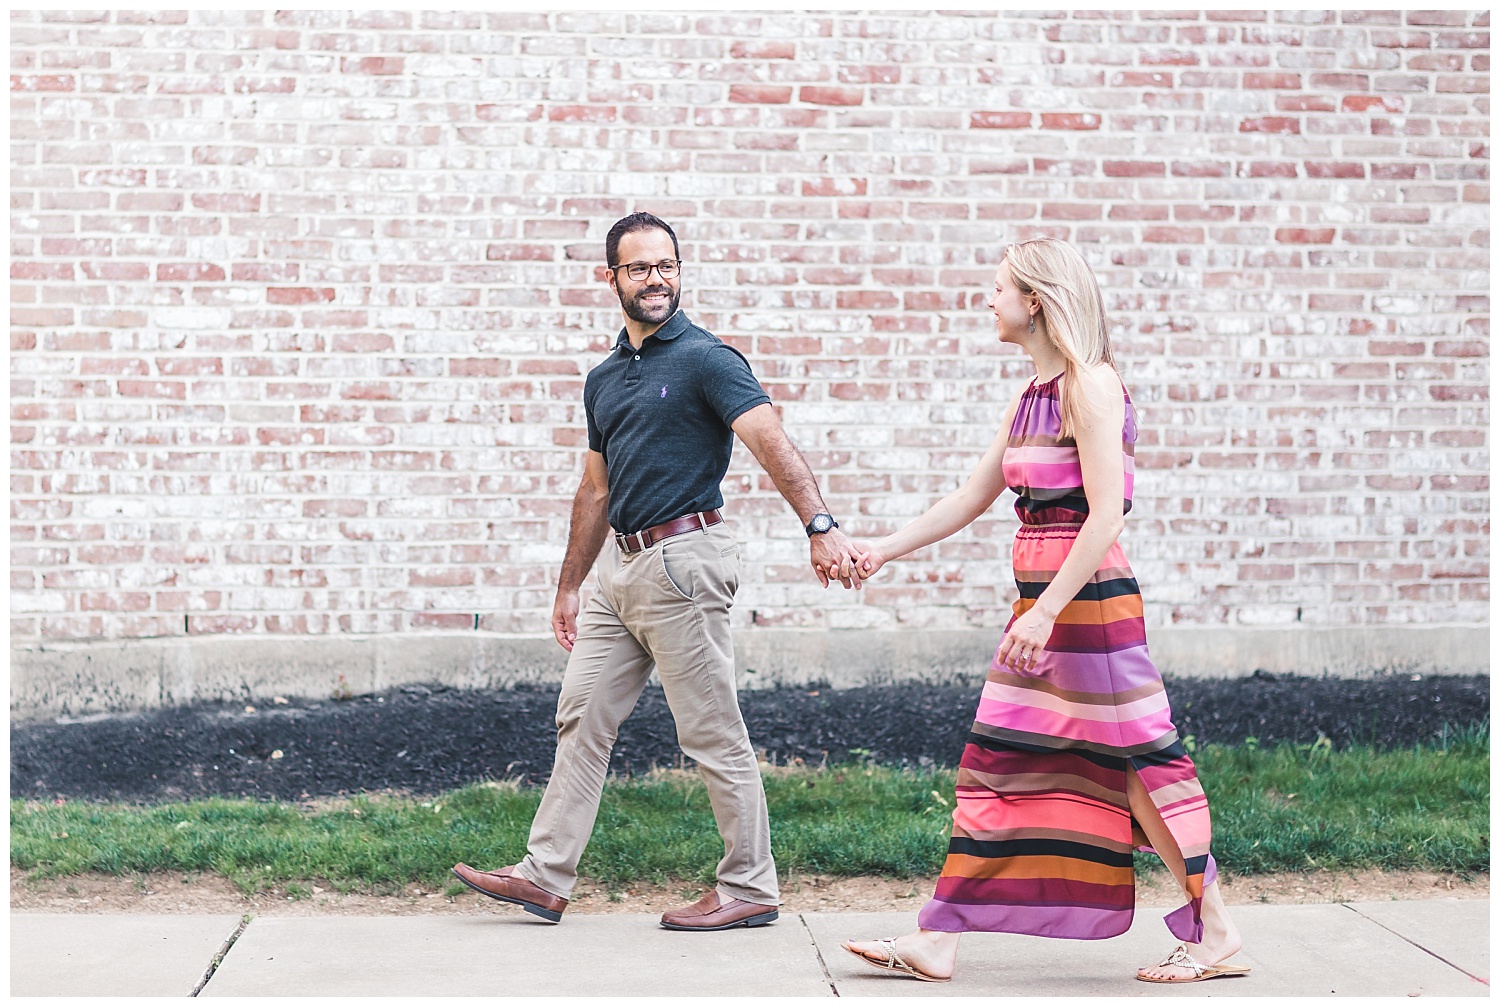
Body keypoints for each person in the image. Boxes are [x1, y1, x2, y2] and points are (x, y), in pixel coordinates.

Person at [841, 238, 1249, 984]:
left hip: (1085, 607)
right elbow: (969, 498)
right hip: (1044, 608)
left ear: (1035, 300)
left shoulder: (1091, 385)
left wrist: (1044, 612)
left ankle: (1214, 929)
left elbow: (1104, 518)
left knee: (1140, 766)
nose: (987, 299)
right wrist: (882, 549)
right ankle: (940, 934)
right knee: (1000, 762)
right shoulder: (1030, 395)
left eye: (998, 287)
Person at [453, 212, 865, 932]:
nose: (656, 280)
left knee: (710, 730)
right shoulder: (604, 378)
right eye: (639, 268)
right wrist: (570, 585)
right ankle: (545, 876)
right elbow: (595, 489)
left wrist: (820, 525)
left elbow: (770, 440)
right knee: (579, 715)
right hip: (619, 569)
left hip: (684, 560)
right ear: (610, 277)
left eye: (666, 266)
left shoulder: (709, 359)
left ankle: (750, 884)